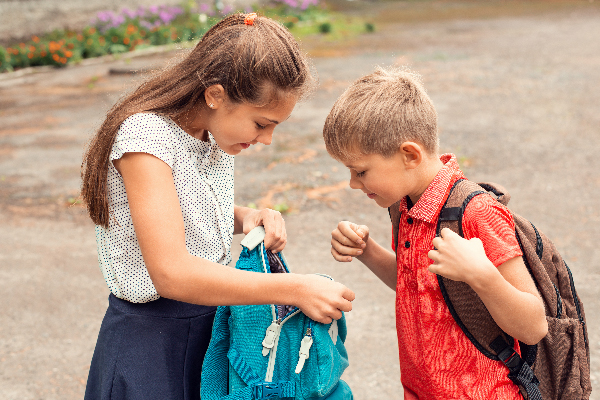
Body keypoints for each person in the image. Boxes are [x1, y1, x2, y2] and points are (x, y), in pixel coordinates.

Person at [80, 13, 355, 400]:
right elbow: (171, 274)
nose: (268, 139)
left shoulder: (210, 135)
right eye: (261, 124)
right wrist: (293, 288)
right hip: (150, 347)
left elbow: (183, 210)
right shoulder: (145, 138)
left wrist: (245, 216)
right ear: (215, 95)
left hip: (212, 333)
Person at [323, 67, 548, 399]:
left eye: (360, 171)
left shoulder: (476, 212)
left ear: (410, 155)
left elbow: (533, 326)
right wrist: (367, 250)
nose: (353, 184)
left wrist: (481, 275)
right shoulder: (405, 207)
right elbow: (416, 284)